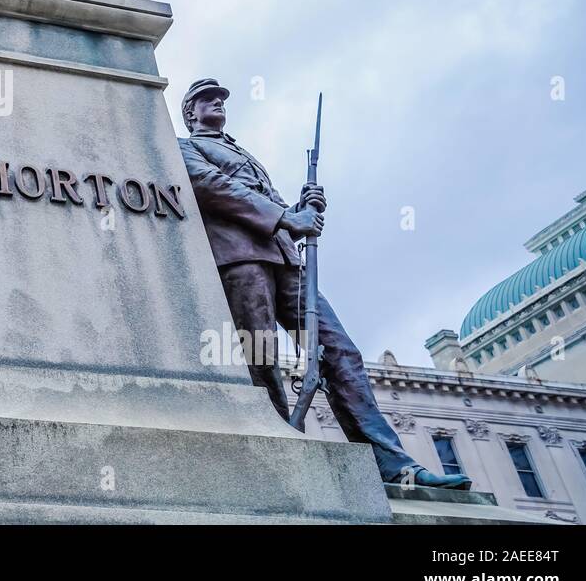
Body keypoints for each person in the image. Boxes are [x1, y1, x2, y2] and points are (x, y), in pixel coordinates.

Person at [178, 78, 470, 488]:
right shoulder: (184, 146)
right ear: (191, 112)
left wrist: (301, 207)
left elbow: (272, 205)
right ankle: (280, 449)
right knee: (261, 357)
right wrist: (285, 217)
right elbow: (213, 187)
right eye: (208, 100)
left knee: (339, 351)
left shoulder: (242, 151)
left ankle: (393, 463)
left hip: (284, 257)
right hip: (241, 259)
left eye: (221, 99)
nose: (219, 104)